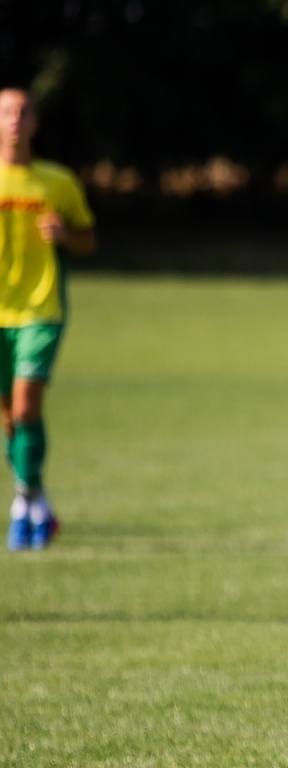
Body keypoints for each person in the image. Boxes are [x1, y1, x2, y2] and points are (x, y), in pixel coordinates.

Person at [0, 88, 95, 552]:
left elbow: (89, 238)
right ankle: (39, 501)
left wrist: (65, 235)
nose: (15, 120)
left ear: (35, 123)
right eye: (6, 113)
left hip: (41, 308)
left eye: (23, 112)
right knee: (8, 420)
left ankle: (21, 504)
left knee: (25, 407)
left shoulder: (57, 182)